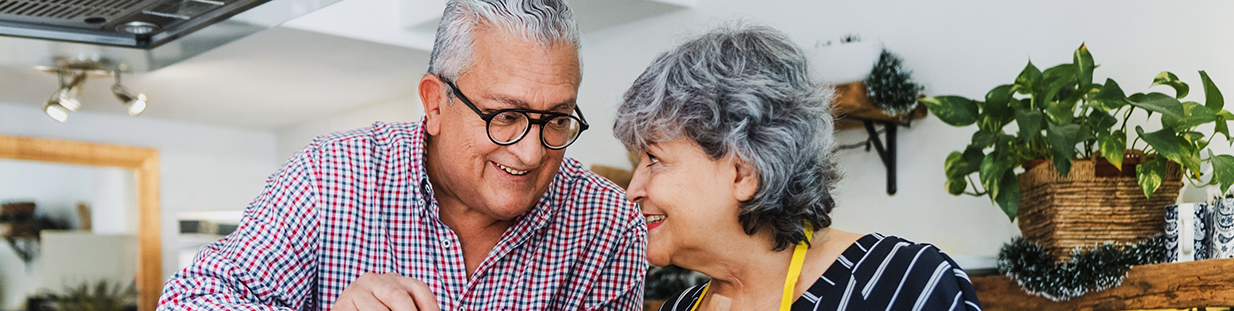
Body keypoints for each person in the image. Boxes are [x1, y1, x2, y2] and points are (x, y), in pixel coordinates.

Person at [159, 0, 646, 310]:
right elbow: (190, 301)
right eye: (505, 116)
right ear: (435, 103)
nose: (530, 152)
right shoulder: (329, 177)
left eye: (557, 120)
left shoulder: (607, 224)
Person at [613, 24, 983, 311]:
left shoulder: (901, 284)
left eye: (654, 160)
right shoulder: (680, 307)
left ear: (744, 172)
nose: (633, 190)